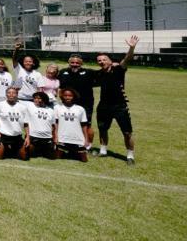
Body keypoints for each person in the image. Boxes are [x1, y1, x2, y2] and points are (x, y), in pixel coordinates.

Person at [96, 36, 139, 164]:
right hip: (103, 106)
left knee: (127, 132)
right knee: (103, 129)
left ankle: (130, 156)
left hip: (119, 106)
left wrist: (131, 47)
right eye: (99, 60)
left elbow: (127, 59)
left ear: (110, 61)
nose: (102, 61)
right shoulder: (98, 74)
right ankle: (103, 151)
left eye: (104, 59)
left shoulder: (118, 70)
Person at [58, 53, 97, 151]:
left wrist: (114, 65)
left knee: (86, 125)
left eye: (77, 63)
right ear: (68, 62)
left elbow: (104, 73)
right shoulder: (62, 72)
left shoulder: (89, 72)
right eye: (72, 62)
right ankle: (66, 142)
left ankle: (88, 145)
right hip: (68, 104)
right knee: (66, 123)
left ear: (81, 63)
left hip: (85, 104)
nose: (75, 64)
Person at [0, 87, 30, 160]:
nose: (11, 95)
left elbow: (26, 123)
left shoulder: (23, 107)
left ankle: (9, 149)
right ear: (6, 94)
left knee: (24, 157)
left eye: (13, 93)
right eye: (9, 93)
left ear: (17, 95)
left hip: (17, 136)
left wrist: (27, 137)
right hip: (3, 136)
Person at [55, 88, 90, 162]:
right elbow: (56, 124)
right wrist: (56, 136)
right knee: (57, 157)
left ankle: (73, 151)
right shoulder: (57, 108)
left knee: (84, 160)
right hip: (62, 138)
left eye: (70, 96)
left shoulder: (80, 109)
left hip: (77, 139)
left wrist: (86, 139)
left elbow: (84, 125)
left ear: (74, 96)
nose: (68, 97)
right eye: (65, 95)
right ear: (62, 96)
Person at [25, 91, 58, 160]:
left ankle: (43, 150)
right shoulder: (30, 106)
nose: (36, 100)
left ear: (44, 99)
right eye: (35, 98)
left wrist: (55, 137)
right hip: (33, 137)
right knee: (27, 154)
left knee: (52, 157)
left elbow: (53, 126)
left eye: (39, 98)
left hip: (47, 138)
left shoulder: (51, 111)